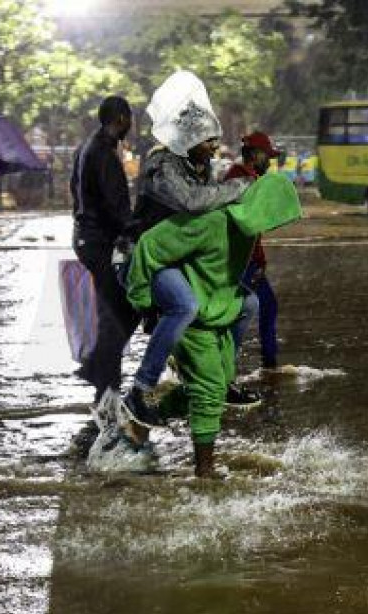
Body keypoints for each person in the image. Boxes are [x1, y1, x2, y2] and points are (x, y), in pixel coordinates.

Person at [126, 173, 302, 476]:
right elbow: (149, 246)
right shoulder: (212, 221)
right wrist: (143, 303)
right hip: (192, 318)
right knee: (209, 390)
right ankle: (204, 472)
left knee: (216, 387)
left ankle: (142, 423)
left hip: (218, 312)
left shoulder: (246, 231)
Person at [120, 71, 257, 434]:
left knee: (248, 303)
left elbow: (212, 210)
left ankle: (224, 376)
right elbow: (193, 203)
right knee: (186, 306)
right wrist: (240, 187)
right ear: (187, 139)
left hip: (180, 259)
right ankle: (140, 390)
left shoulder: (198, 167)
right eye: (209, 140)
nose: (215, 147)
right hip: (145, 258)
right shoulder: (160, 165)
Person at [70, 97, 139, 401]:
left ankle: (98, 367)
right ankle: (104, 381)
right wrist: (135, 230)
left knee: (112, 306)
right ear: (122, 119)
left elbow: (76, 189)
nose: (131, 126)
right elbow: (116, 207)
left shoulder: (87, 147)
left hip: (86, 237)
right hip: (98, 241)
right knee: (120, 307)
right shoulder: (104, 153)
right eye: (130, 120)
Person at [224, 131, 282, 369]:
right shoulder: (242, 178)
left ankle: (238, 364)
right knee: (258, 306)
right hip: (242, 262)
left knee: (257, 306)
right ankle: (264, 364)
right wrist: (257, 263)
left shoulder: (244, 177)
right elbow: (246, 228)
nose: (269, 161)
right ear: (255, 155)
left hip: (248, 261)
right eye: (267, 156)